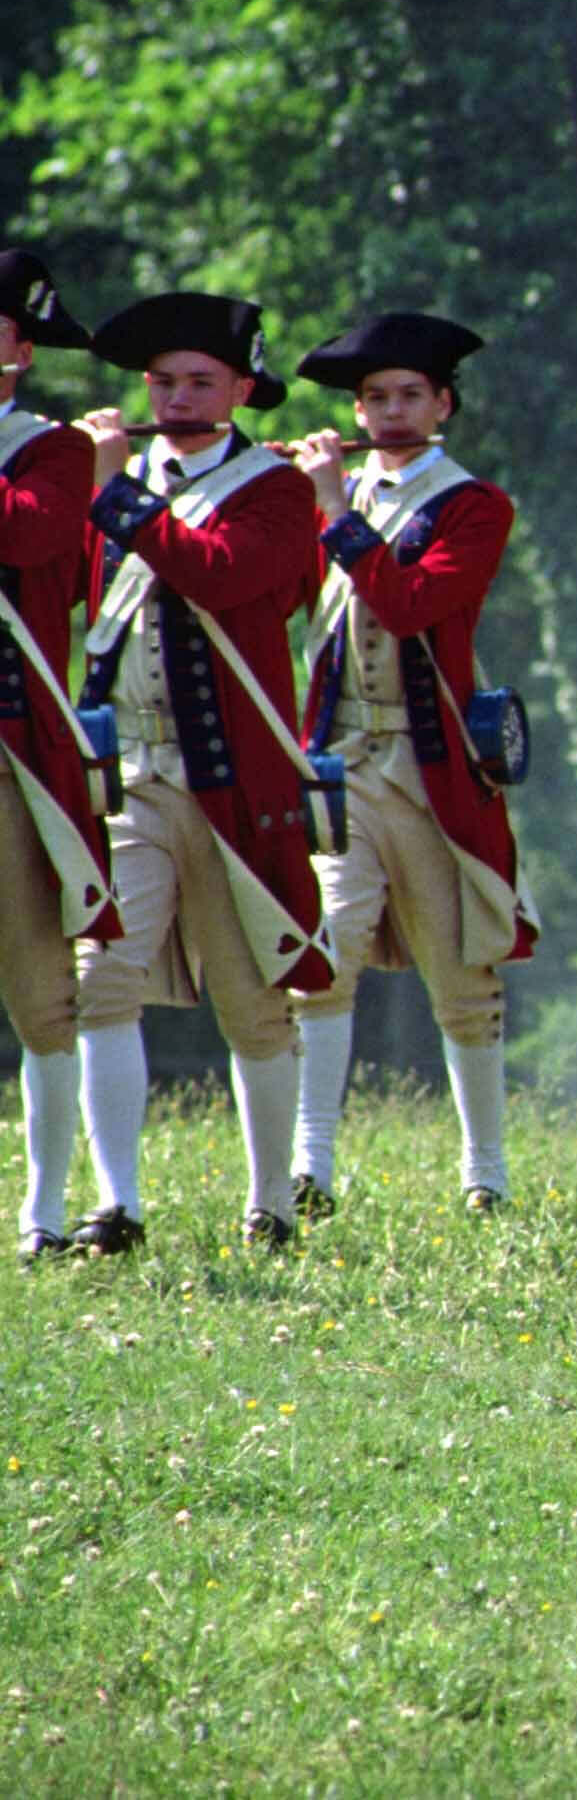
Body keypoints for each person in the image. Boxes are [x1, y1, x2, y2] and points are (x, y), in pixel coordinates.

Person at [69, 292, 336, 1254]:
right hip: (132, 774)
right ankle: (118, 1203)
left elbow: (222, 574)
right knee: (101, 979)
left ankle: (269, 1204)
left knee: (254, 998)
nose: (177, 399)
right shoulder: (117, 482)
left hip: (235, 784)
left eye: (200, 383)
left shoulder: (277, 489)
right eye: (162, 382)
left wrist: (118, 496)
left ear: (239, 390)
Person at [285, 314, 540, 1215]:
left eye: (409, 398)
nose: (391, 413)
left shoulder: (475, 505)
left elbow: (411, 603)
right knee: (325, 952)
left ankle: (486, 1174)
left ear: (443, 405)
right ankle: (307, 1166)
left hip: (431, 771)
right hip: (341, 757)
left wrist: (330, 514)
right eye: (375, 398)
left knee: (462, 973)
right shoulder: (333, 493)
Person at [0, 248, 120, 1260]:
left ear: (19, 349)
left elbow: (33, 542)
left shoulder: (50, 452)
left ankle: (41, 1212)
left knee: (42, 994)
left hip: (11, 761)